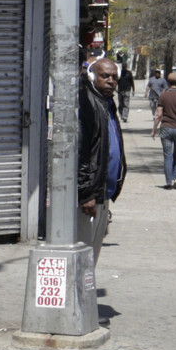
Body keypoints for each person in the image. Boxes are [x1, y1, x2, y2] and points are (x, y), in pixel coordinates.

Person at [78, 55, 127, 263]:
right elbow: (81, 151)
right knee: (83, 255)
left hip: (102, 194)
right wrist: (86, 192)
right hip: (89, 198)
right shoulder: (87, 103)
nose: (110, 81)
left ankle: (83, 293)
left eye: (114, 77)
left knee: (92, 255)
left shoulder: (107, 103)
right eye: (105, 76)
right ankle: (77, 294)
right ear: (92, 77)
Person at [151, 70, 176, 188]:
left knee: (167, 155)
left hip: (166, 128)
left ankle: (168, 182)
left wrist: (154, 129)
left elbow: (158, 115)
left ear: (168, 82)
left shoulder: (163, 96)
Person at [116, 57, 135, 122]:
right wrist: (115, 87)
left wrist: (133, 90)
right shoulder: (119, 73)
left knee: (126, 105)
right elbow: (116, 81)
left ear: (126, 67)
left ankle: (125, 116)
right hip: (120, 91)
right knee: (120, 105)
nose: (124, 68)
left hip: (127, 91)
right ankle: (121, 116)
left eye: (125, 67)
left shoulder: (129, 73)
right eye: (123, 67)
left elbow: (132, 82)